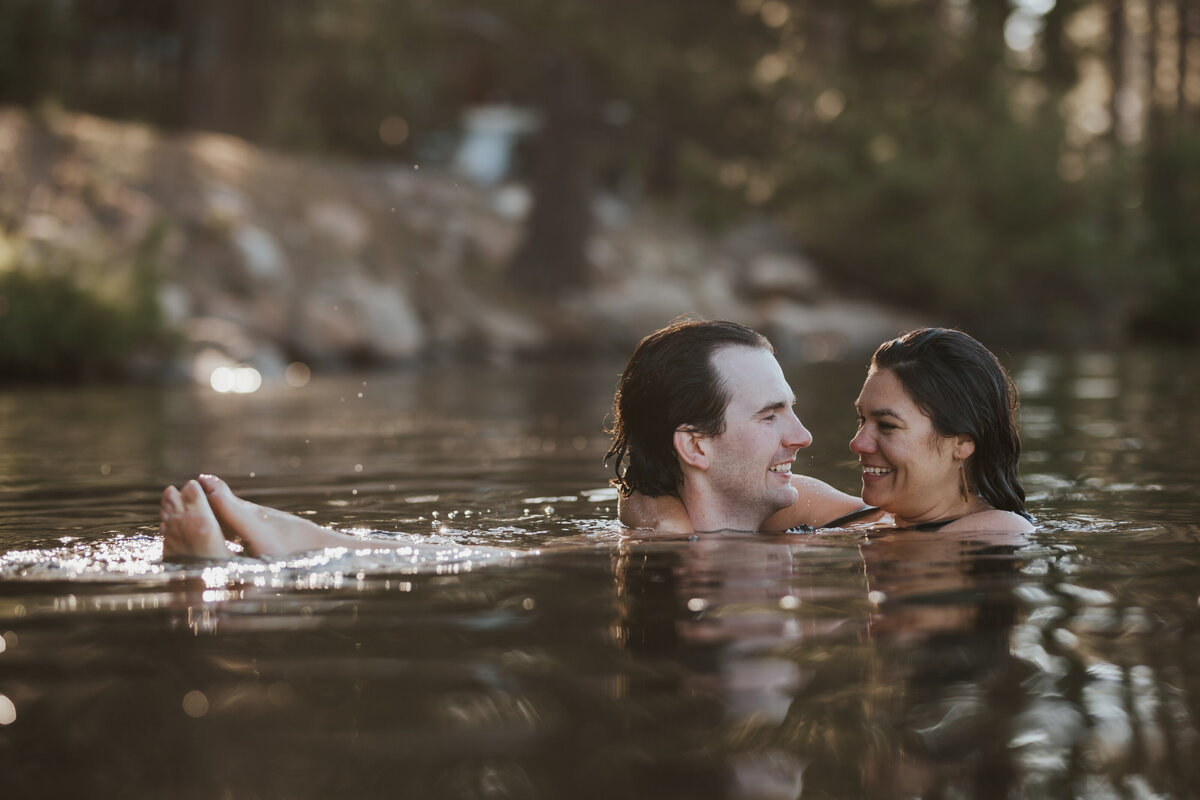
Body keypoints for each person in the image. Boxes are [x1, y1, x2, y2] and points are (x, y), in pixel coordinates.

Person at [622, 325, 1034, 534]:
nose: (857, 443)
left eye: (887, 425)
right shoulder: (857, 520)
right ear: (695, 445)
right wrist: (668, 528)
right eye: (862, 420)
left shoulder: (993, 537)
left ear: (963, 442)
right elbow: (654, 482)